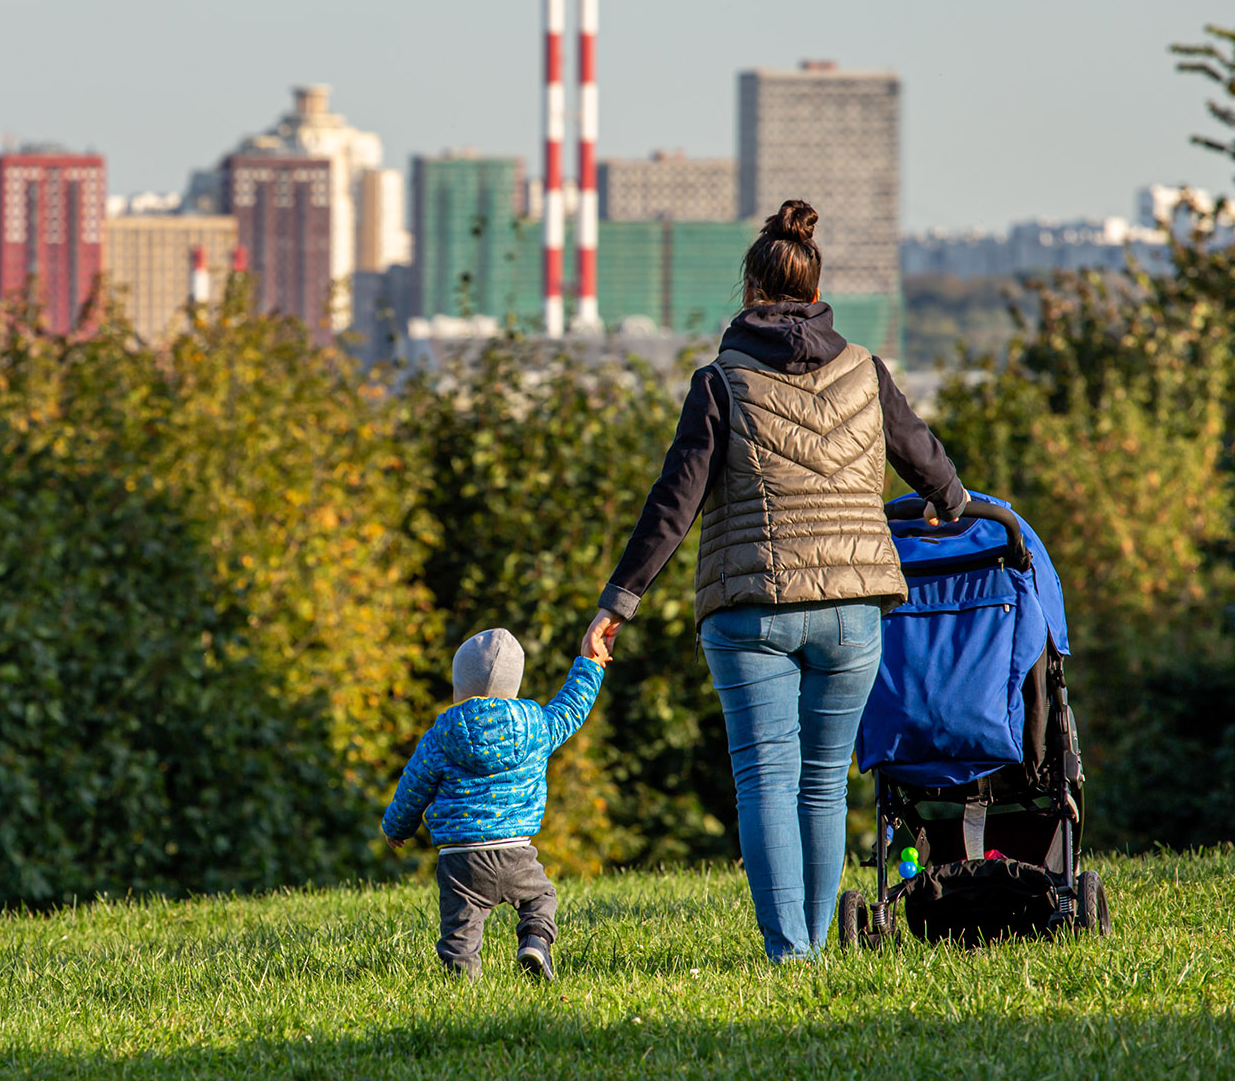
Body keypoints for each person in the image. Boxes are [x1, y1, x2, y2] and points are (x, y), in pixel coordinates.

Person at [581, 200, 967, 962]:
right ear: (815, 285)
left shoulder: (721, 383)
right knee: (824, 786)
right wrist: (948, 505)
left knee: (765, 780)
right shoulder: (867, 370)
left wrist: (617, 602)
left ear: (751, 291)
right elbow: (931, 465)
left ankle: (790, 953)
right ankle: (813, 951)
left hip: (751, 607)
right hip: (854, 611)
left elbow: (674, 502)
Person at [382, 627, 606, 981]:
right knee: (541, 899)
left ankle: (461, 984)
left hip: (460, 861)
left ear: (460, 686)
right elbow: (571, 707)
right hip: (516, 853)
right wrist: (590, 663)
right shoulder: (536, 726)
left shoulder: (441, 735)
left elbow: (413, 785)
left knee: (460, 932)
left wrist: (396, 827)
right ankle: (534, 941)